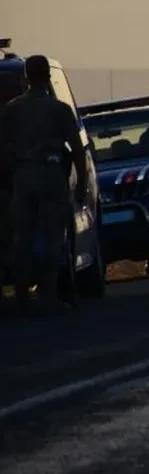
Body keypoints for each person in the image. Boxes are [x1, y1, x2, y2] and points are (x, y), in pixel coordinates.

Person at [0, 55, 88, 313]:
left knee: (21, 239)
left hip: (23, 177)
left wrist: (10, 176)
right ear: (48, 76)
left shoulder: (12, 110)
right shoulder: (59, 109)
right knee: (51, 237)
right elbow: (78, 148)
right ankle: (48, 296)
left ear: (25, 77)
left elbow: (3, 149)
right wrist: (81, 182)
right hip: (51, 174)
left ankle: (21, 297)